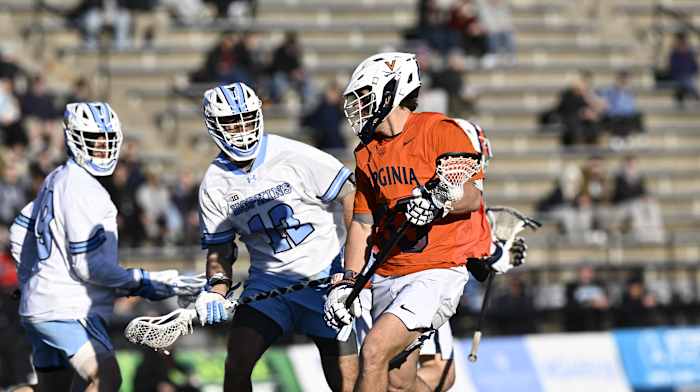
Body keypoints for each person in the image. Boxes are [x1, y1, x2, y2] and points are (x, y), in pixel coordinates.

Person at [323, 52, 494, 392]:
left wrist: (438, 199)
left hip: (436, 270)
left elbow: (471, 195)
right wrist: (348, 281)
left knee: (372, 352)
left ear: (391, 92)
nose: (357, 108)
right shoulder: (366, 151)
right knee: (398, 383)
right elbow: (361, 222)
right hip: (389, 270)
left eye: (363, 97)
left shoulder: (439, 130)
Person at [192, 82, 358, 392]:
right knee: (236, 364)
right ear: (214, 125)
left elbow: (351, 194)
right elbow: (220, 248)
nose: (242, 129)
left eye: (247, 118)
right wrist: (216, 287)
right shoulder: (214, 184)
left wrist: (350, 266)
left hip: (325, 279)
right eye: (231, 122)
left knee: (347, 382)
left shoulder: (294, 154)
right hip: (270, 286)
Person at [8, 102, 178, 391]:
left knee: (52, 390)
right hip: (66, 306)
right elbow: (89, 266)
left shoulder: (57, 178)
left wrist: (32, 279)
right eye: (94, 140)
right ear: (74, 138)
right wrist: (144, 282)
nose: (102, 147)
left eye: (108, 139)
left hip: (41, 303)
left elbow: (19, 230)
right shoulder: (84, 188)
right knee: (106, 375)